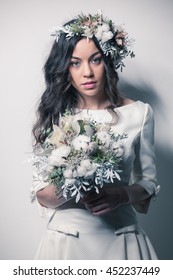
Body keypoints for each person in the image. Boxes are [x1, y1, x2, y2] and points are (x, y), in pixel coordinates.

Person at [31, 12, 160, 259]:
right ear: (64, 67)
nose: (87, 72)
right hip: (65, 243)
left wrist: (122, 195)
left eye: (96, 60)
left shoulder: (139, 113)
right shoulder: (54, 114)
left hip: (121, 238)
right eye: (75, 62)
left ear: (109, 60)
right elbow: (41, 194)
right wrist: (71, 179)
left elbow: (148, 182)